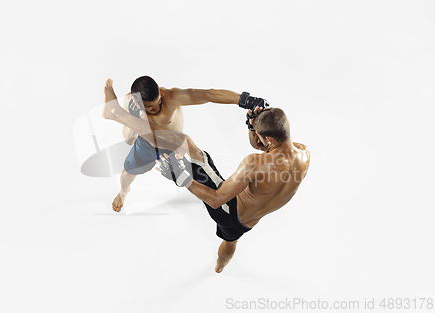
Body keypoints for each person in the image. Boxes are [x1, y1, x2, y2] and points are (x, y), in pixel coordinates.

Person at [102, 79, 310, 273]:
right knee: (230, 241)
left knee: (186, 143)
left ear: (269, 140)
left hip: (227, 209)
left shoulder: (255, 164)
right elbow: (265, 146)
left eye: (258, 135)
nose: (256, 139)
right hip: (248, 223)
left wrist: (180, 177)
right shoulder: (304, 154)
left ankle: (115, 113)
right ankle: (220, 267)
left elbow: (215, 199)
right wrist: (251, 124)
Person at [112, 75, 243, 212]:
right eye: (151, 107)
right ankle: (123, 192)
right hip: (145, 146)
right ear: (136, 101)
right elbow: (128, 140)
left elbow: (208, 94)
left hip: (173, 147)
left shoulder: (172, 97)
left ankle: (222, 198)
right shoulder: (129, 102)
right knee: (127, 174)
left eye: (159, 102)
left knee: (199, 176)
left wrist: (243, 100)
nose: (157, 108)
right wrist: (134, 119)